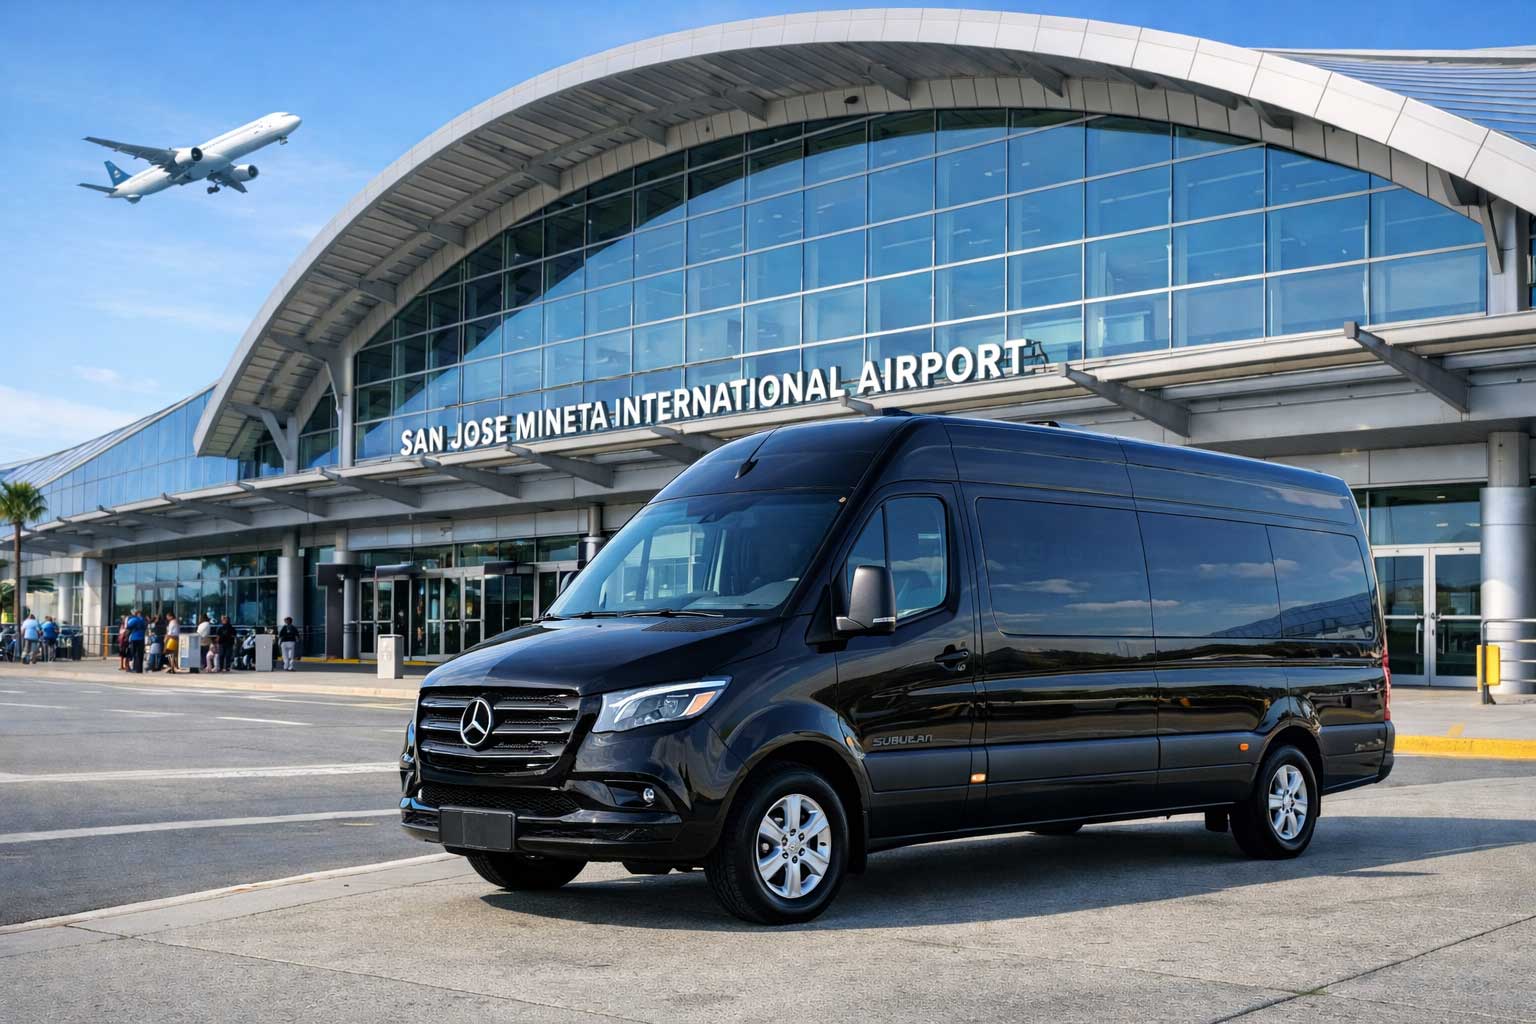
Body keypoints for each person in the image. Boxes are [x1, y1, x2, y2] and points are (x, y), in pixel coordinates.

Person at [125, 609, 147, 673]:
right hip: (141, 638)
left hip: (134, 638)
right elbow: (145, 626)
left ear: (136, 614)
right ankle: (139, 669)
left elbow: (128, 626)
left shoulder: (135, 619)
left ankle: (131, 668)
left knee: (133, 653)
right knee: (140, 655)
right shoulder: (143, 620)